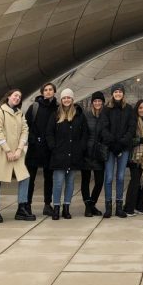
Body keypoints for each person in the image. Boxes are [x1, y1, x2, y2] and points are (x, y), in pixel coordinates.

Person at [0, 89, 34, 222]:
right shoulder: (0, 112)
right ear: (9, 97)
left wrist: (19, 149)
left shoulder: (20, 113)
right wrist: (8, 150)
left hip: (16, 153)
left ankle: (21, 208)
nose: (17, 98)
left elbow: (25, 130)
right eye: (15, 95)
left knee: (25, 178)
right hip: (1, 152)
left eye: (19, 97)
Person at [46, 88, 87, 220]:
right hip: (59, 155)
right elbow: (49, 133)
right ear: (61, 100)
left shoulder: (79, 115)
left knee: (70, 183)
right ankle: (56, 207)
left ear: (72, 99)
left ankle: (66, 207)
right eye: (64, 98)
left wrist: (81, 148)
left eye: (69, 97)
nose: (66, 100)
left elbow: (84, 134)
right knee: (58, 182)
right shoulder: (55, 115)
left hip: (74, 155)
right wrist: (53, 147)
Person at [100, 83, 135, 218]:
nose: (118, 94)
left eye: (120, 92)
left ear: (123, 94)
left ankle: (119, 206)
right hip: (109, 148)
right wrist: (113, 143)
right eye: (116, 92)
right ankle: (108, 206)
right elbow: (104, 128)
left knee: (120, 177)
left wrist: (121, 143)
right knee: (108, 177)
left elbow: (131, 128)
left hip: (124, 148)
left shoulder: (129, 109)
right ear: (112, 94)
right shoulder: (106, 109)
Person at [24, 83, 58, 217]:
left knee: (49, 178)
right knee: (30, 178)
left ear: (54, 92)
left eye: (50, 90)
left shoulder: (57, 108)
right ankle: (27, 204)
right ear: (42, 92)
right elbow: (26, 125)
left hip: (49, 148)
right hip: (34, 148)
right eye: (46, 90)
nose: (48, 92)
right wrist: (33, 139)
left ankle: (47, 204)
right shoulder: (35, 107)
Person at [81, 91, 107, 217]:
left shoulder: (105, 116)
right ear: (92, 103)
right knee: (85, 180)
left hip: (99, 153)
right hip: (86, 152)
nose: (97, 103)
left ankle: (92, 203)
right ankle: (87, 205)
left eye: (99, 101)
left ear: (102, 102)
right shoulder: (86, 115)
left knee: (99, 181)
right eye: (95, 101)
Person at [124, 99, 143, 217]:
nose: (142, 110)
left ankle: (139, 206)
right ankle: (129, 208)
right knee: (135, 181)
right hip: (134, 156)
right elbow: (129, 139)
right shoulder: (133, 121)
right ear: (137, 108)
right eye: (140, 108)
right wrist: (141, 140)